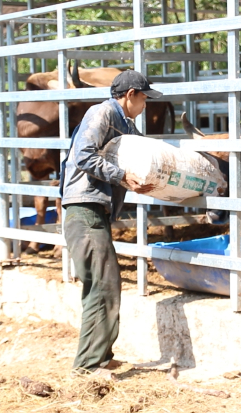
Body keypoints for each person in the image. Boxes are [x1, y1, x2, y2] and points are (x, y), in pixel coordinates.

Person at [61, 70, 161, 380]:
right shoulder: (102, 113)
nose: (146, 104)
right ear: (130, 95)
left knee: (102, 286)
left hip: (93, 215)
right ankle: (87, 367)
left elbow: (146, 154)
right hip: (85, 212)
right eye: (144, 98)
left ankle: (99, 359)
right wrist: (121, 177)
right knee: (103, 287)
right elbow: (83, 156)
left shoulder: (126, 124)